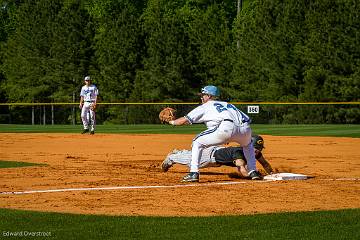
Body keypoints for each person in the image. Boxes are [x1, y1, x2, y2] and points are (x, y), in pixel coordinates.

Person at [168, 85, 261, 182]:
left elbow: (184, 120)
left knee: (197, 142)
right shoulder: (228, 104)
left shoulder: (206, 106)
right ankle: (253, 171)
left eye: (203, 95)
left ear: (209, 96)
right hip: (245, 128)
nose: (201, 97)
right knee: (248, 146)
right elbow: (247, 118)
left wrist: (172, 122)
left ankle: (193, 173)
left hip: (226, 127)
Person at [161, 135, 274, 177]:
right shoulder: (239, 153)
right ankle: (173, 157)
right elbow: (241, 169)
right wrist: (253, 176)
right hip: (210, 156)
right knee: (192, 162)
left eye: (259, 149)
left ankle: (181, 153)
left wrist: (272, 174)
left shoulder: (256, 153)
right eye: (255, 149)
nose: (257, 152)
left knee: (192, 157)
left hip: (218, 155)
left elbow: (265, 163)